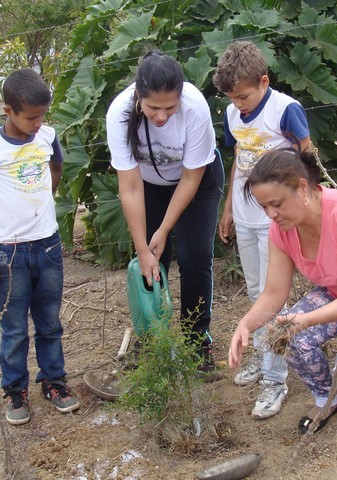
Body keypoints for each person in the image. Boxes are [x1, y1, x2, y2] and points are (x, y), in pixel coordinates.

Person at [106, 51, 224, 375]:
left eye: (170, 108)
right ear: (138, 96)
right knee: (150, 263)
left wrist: (163, 229)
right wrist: (144, 248)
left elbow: (190, 178)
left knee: (194, 255)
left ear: (181, 96)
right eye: (153, 108)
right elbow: (129, 187)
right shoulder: (119, 113)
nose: (161, 116)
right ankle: (152, 344)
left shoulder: (196, 108)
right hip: (148, 185)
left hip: (196, 182)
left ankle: (197, 342)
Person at [229, 148, 337, 433]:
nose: (271, 215)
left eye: (276, 204)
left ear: (302, 187)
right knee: (287, 336)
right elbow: (274, 294)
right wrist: (246, 325)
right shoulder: (283, 229)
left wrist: (308, 319)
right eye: (264, 207)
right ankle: (328, 398)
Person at [213, 40, 311, 418]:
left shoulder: (286, 109)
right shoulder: (231, 113)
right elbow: (239, 157)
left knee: (275, 298)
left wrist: (303, 210)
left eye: (244, 96)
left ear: (264, 81)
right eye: (233, 98)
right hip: (246, 215)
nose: (239, 104)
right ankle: (263, 356)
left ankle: (276, 379)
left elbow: (306, 154)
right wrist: (228, 210)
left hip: (277, 221)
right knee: (257, 294)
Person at [0, 68, 79, 425]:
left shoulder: (47, 136)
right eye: (31, 117)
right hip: (9, 252)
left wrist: (42, 200)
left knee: (50, 320)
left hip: (49, 246)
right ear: (8, 111)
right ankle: (15, 390)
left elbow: (56, 168)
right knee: (13, 327)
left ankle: (54, 381)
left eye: (42, 115)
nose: (39, 123)